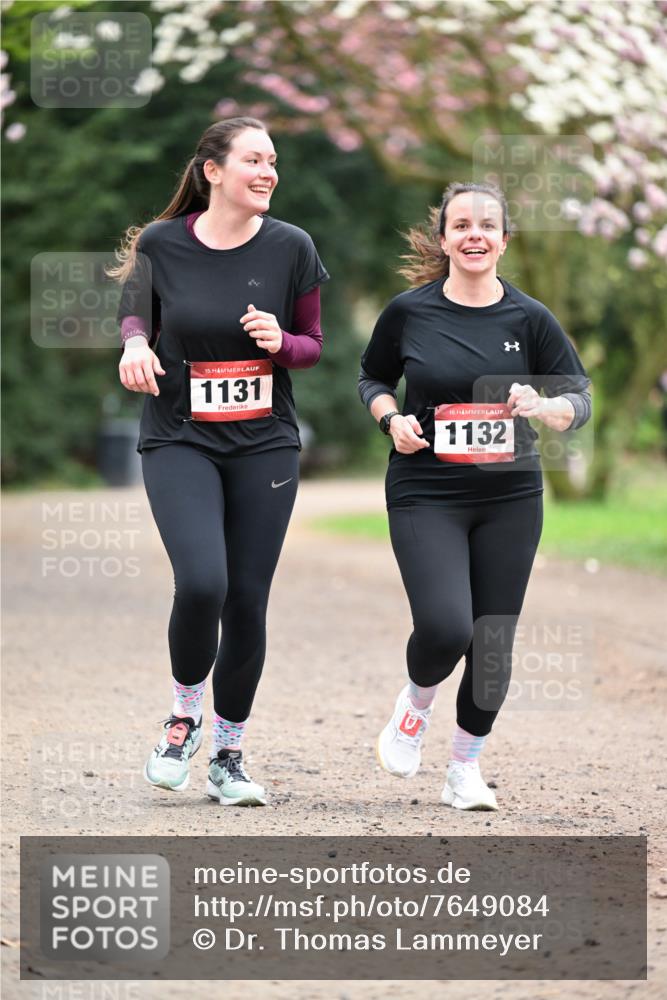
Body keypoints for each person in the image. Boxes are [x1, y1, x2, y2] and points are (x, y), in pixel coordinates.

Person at [111, 117, 328, 806]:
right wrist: (134, 346)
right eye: (253, 160)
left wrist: (280, 342)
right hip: (181, 436)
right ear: (213, 170)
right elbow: (133, 314)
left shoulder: (292, 246)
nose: (267, 172)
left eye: (273, 161)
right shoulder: (162, 243)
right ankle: (182, 717)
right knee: (202, 581)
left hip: (264, 442)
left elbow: (313, 344)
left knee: (247, 600)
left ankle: (229, 755)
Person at [359, 182, 591, 811]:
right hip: (426, 489)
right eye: (461, 225)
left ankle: (465, 767)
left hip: (510, 495)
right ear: (444, 239)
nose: (475, 235)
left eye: (487, 225)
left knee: (491, 645)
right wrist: (390, 420)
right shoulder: (409, 311)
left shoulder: (530, 318)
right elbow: (373, 376)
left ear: (504, 240)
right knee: (444, 626)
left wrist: (544, 405)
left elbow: (579, 397)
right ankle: (415, 703)